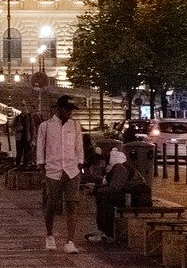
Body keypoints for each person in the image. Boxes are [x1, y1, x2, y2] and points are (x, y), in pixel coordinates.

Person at [36, 96, 84, 253]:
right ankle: (49, 235)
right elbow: (40, 147)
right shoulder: (46, 126)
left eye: (71, 110)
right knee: (52, 204)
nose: (69, 113)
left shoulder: (75, 125)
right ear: (58, 109)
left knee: (72, 204)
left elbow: (79, 146)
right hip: (53, 170)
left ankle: (70, 241)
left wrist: (79, 164)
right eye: (66, 109)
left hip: (71, 170)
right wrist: (42, 168)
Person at [87, 146, 150, 244]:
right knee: (102, 195)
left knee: (105, 198)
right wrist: (96, 188)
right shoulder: (116, 167)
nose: (99, 166)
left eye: (100, 163)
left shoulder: (119, 167)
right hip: (130, 195)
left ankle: (108, 233)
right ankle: (102, 230)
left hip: (135, 197)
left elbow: (115, 188)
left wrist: (96, 190)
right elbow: (113, 185)